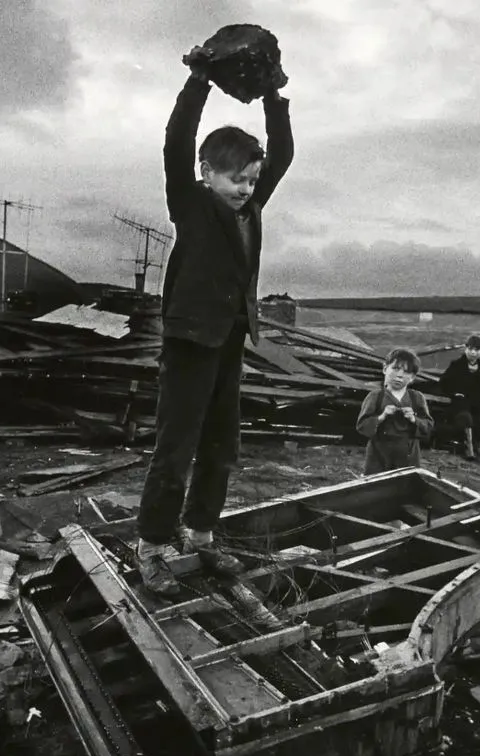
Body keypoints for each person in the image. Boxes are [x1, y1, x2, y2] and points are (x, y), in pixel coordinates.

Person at [136, 57, 294, 597]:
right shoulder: (190, 203)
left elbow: (282, 154)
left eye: (251, 179)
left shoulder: (251, 208)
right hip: (190, 343)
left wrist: (273, 96)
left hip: (229, 339)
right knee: (175, 450)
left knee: (222, 444)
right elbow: (176, 142)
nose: (246, 188)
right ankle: (151, 548)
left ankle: (199, 533)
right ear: (206, 171)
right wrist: (198, 82)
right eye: (235, 178)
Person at [356, 348, 434, 474]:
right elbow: (362, 425)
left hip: (408, 455)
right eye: (395, 369)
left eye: (406, 372)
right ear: (385, 369)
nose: (399, 375)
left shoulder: (416, 398)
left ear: (412, 377)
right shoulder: (376, 396)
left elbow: (428, 426)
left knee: (405, 484)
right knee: (378, 484)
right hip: (379, 456)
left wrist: (414, 419)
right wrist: (381, 417)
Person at [439, 334, 480, 462]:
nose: (473, 353)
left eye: (477, 350)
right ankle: (469, 452)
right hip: (460, 404)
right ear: (466, 349)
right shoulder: (456, 365)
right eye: (470, 349)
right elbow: (443, 382)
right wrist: (454, 393)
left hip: (475, 405)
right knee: (466, 419)